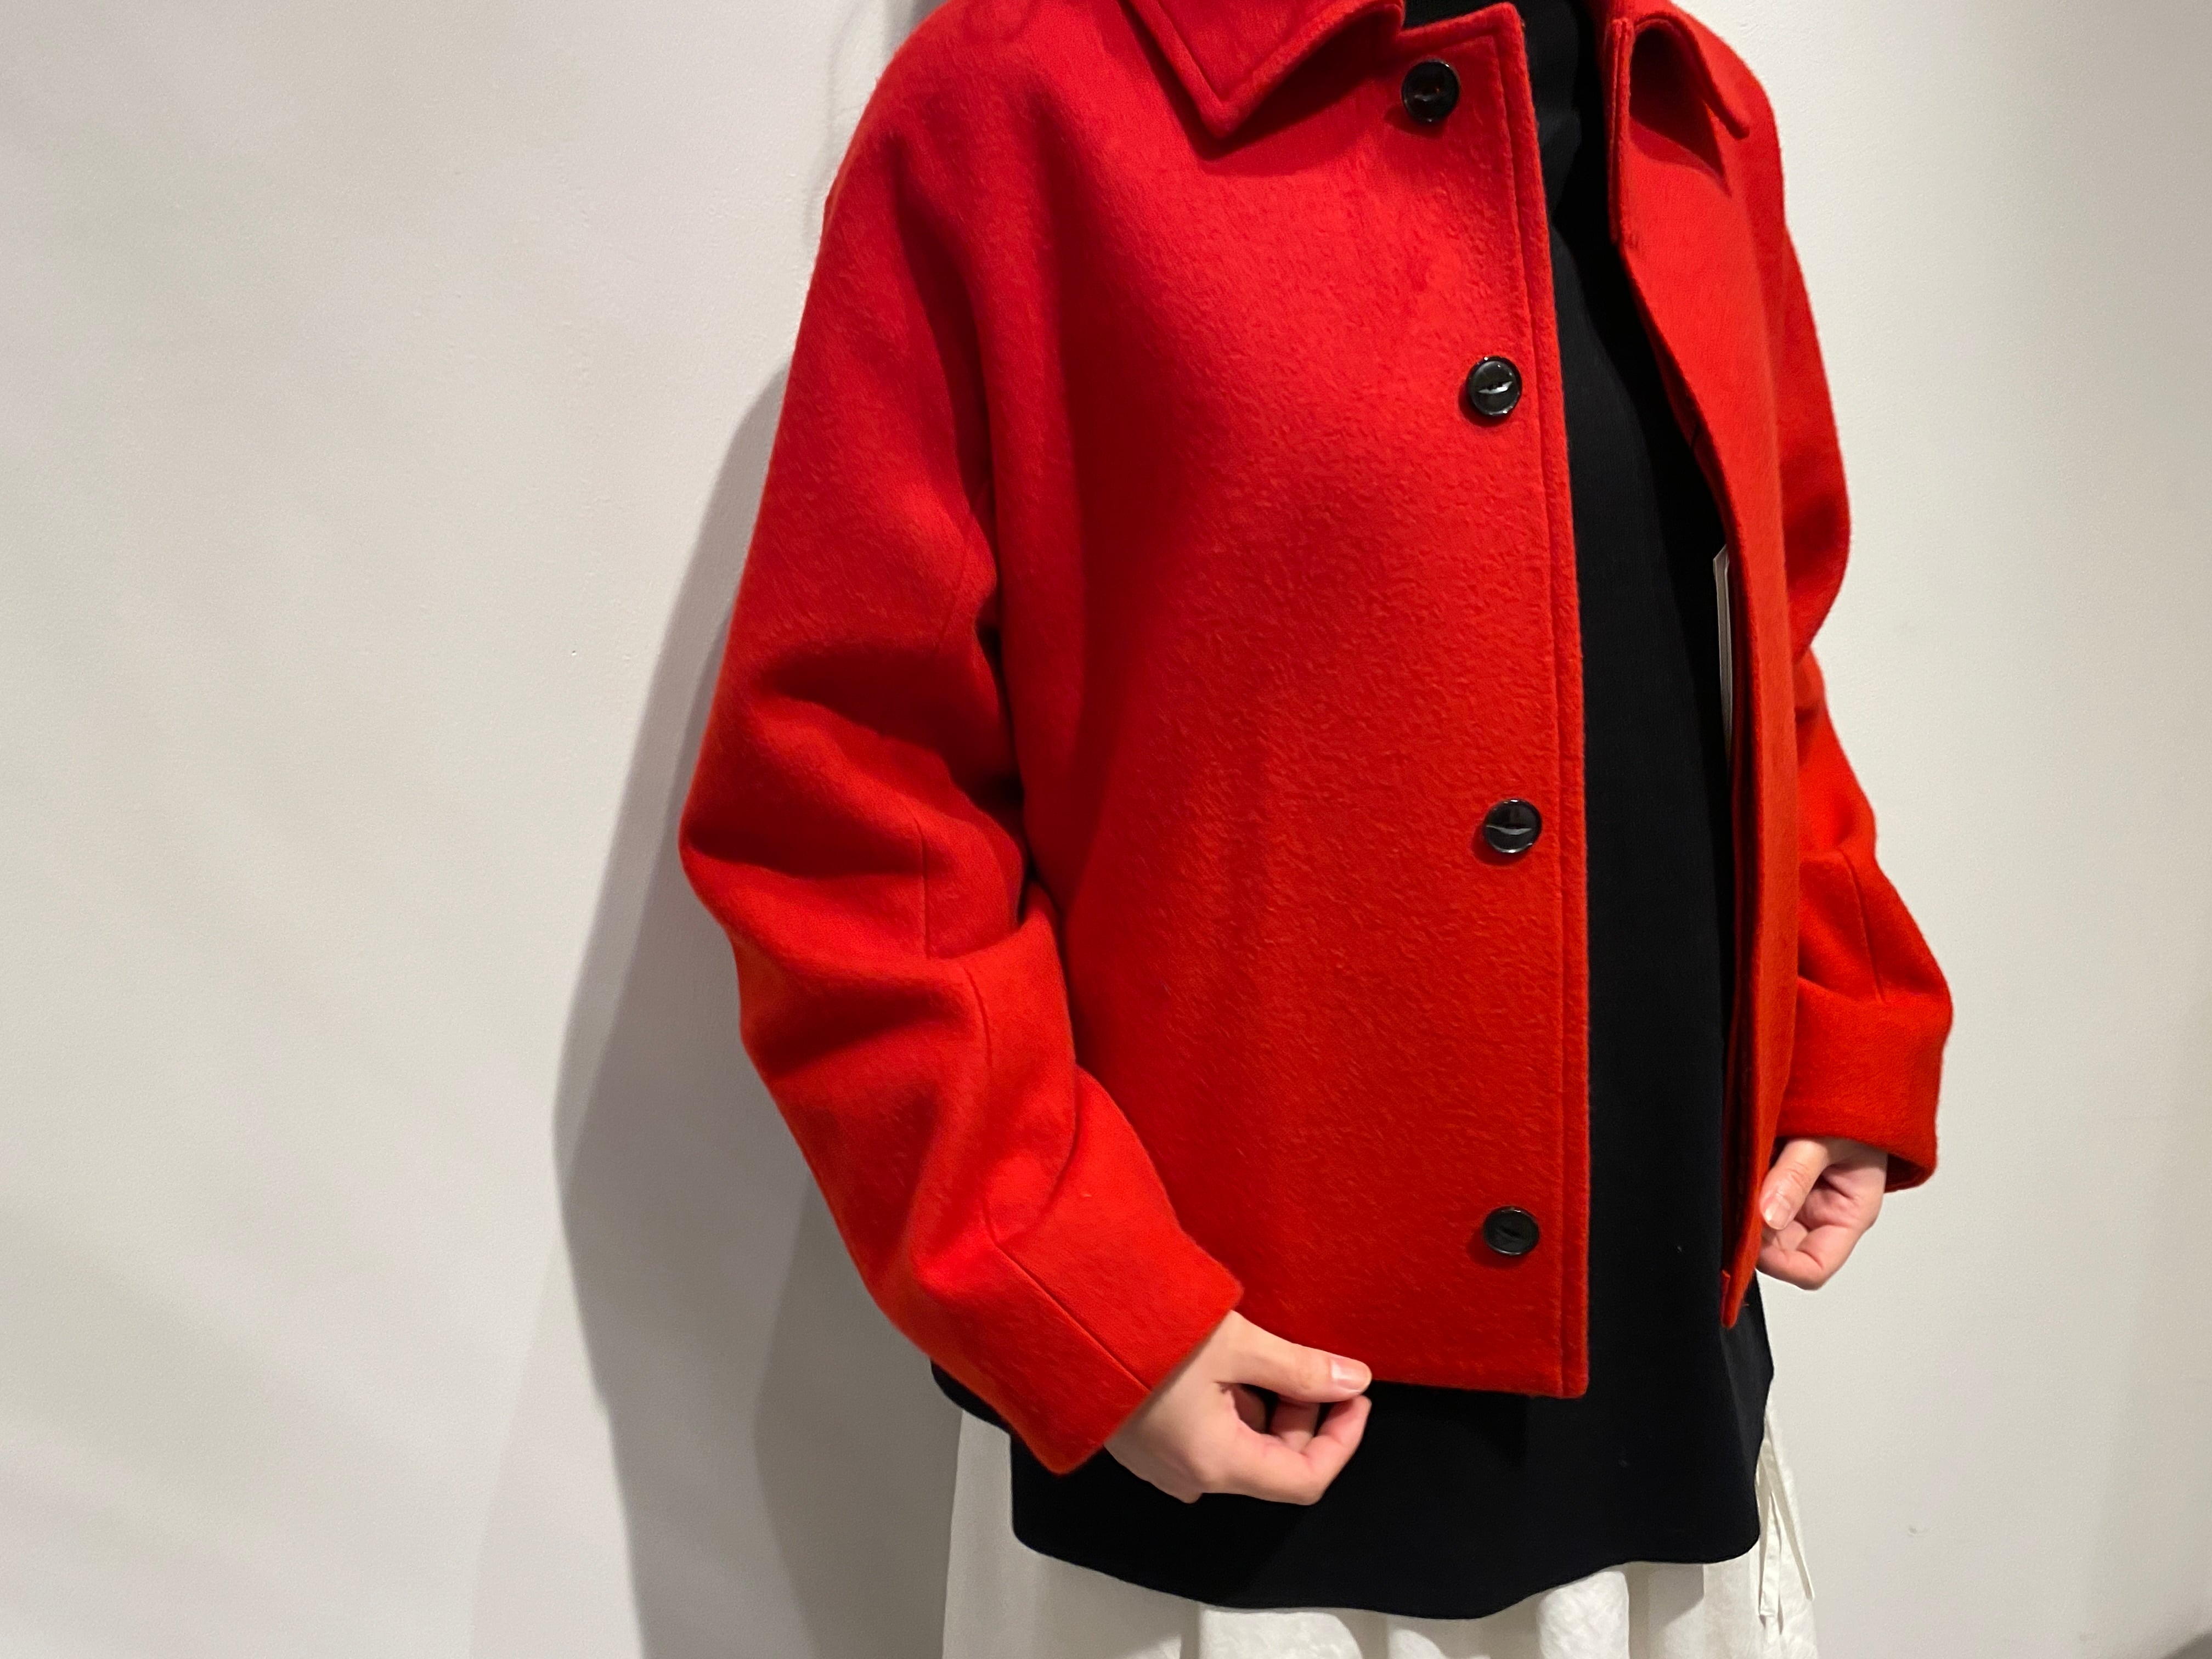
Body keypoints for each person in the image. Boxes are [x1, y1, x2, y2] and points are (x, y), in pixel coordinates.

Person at [679, 0, 1954, 1648]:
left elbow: (1763, 651)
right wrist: (1071, 1289)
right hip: (1231, 1433)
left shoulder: (1691, 117)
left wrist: (1837, 1022)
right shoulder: (1021, 107)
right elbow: (847, 794)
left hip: (1666, 1358)